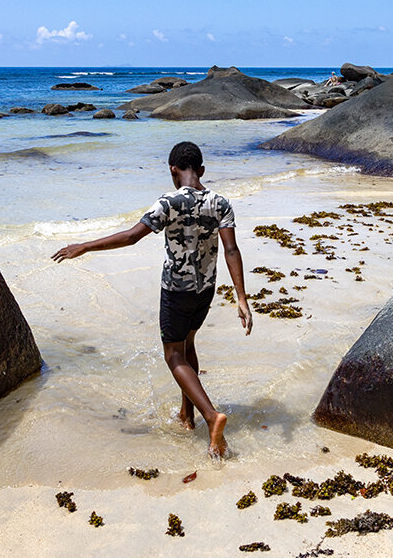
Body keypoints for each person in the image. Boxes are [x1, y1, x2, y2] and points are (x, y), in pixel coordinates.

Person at [51, 141, 252, 458]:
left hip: (176, 291)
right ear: (200, 170)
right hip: (205, 290)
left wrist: (85, 246)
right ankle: (188, 416)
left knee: (173, 355)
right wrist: (241, 298)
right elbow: (231, 250)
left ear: (174, 171)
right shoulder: (221, 203)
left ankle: (212, 417)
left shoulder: (168, 202)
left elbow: (132, 236)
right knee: (188, 346)